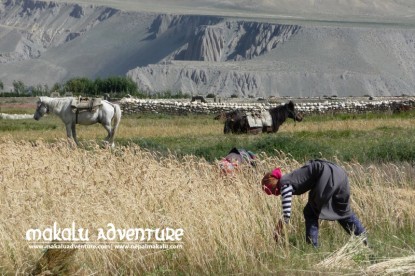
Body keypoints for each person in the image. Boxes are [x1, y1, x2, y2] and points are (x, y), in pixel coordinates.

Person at [261, 159, 367, 247]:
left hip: (326, 174)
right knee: (342, 210)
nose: (276, 194)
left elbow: (286, 214)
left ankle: (312, 246)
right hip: (339, 172)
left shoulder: (284, 185)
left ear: (272, 187)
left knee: (310, 212)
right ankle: (364, 241)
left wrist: (278, 231)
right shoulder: (288, 178)